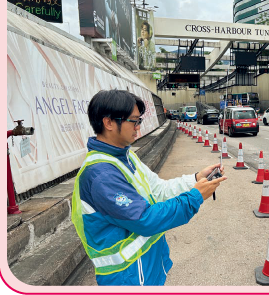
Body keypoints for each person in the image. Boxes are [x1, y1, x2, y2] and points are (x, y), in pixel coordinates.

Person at [71, 89, 227, 286]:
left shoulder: (126, 157)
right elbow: (146, 219)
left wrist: (195, 179)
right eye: (133, 121)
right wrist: (195, 197)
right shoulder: (101, 176)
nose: (138, 127)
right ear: (108, 122)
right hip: (127, 277)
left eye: (139, 121)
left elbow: (158, 189)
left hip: (146, 268)